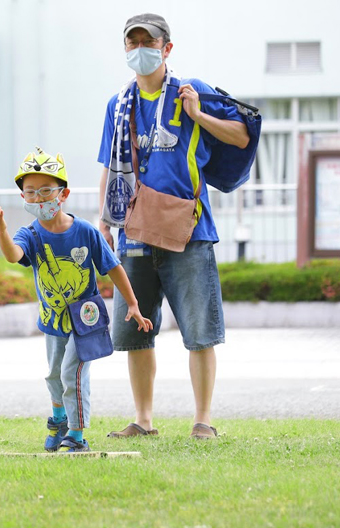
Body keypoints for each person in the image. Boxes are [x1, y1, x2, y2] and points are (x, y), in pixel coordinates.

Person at [97, 14, 250, 439]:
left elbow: (241, 135)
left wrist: (198, 114)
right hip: (133, 230)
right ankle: (143, 420)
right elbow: (109, 164)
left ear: (167, 48)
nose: (139, 49)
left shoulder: (190, 90)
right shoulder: (117, 104)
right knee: (135, 331)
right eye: (132, 42)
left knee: (200, 333)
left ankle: (203, 420)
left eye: (148, 42)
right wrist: (105, 222)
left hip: (189, 232)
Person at [0, 148, 152, 452]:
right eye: (30, 192)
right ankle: (59, 420)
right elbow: (13, 255)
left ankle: (76, 433)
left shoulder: (85, 231)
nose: (38, 199)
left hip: (84, 320)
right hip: (53, 319)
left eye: (46, 190)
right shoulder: (29, 234)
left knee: (71, 373)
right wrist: (1, 230)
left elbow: (113, 266)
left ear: (64, 194)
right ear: (23, 197)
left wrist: (133, 304)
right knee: (53, 375)